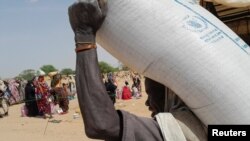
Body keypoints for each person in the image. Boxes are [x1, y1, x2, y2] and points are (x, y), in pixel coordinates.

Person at [68, 0, 207, 140]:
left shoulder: (187, 126)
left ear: (170, 94)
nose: (147, 103)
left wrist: (84, 34)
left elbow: (102, 125)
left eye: (151, 94)